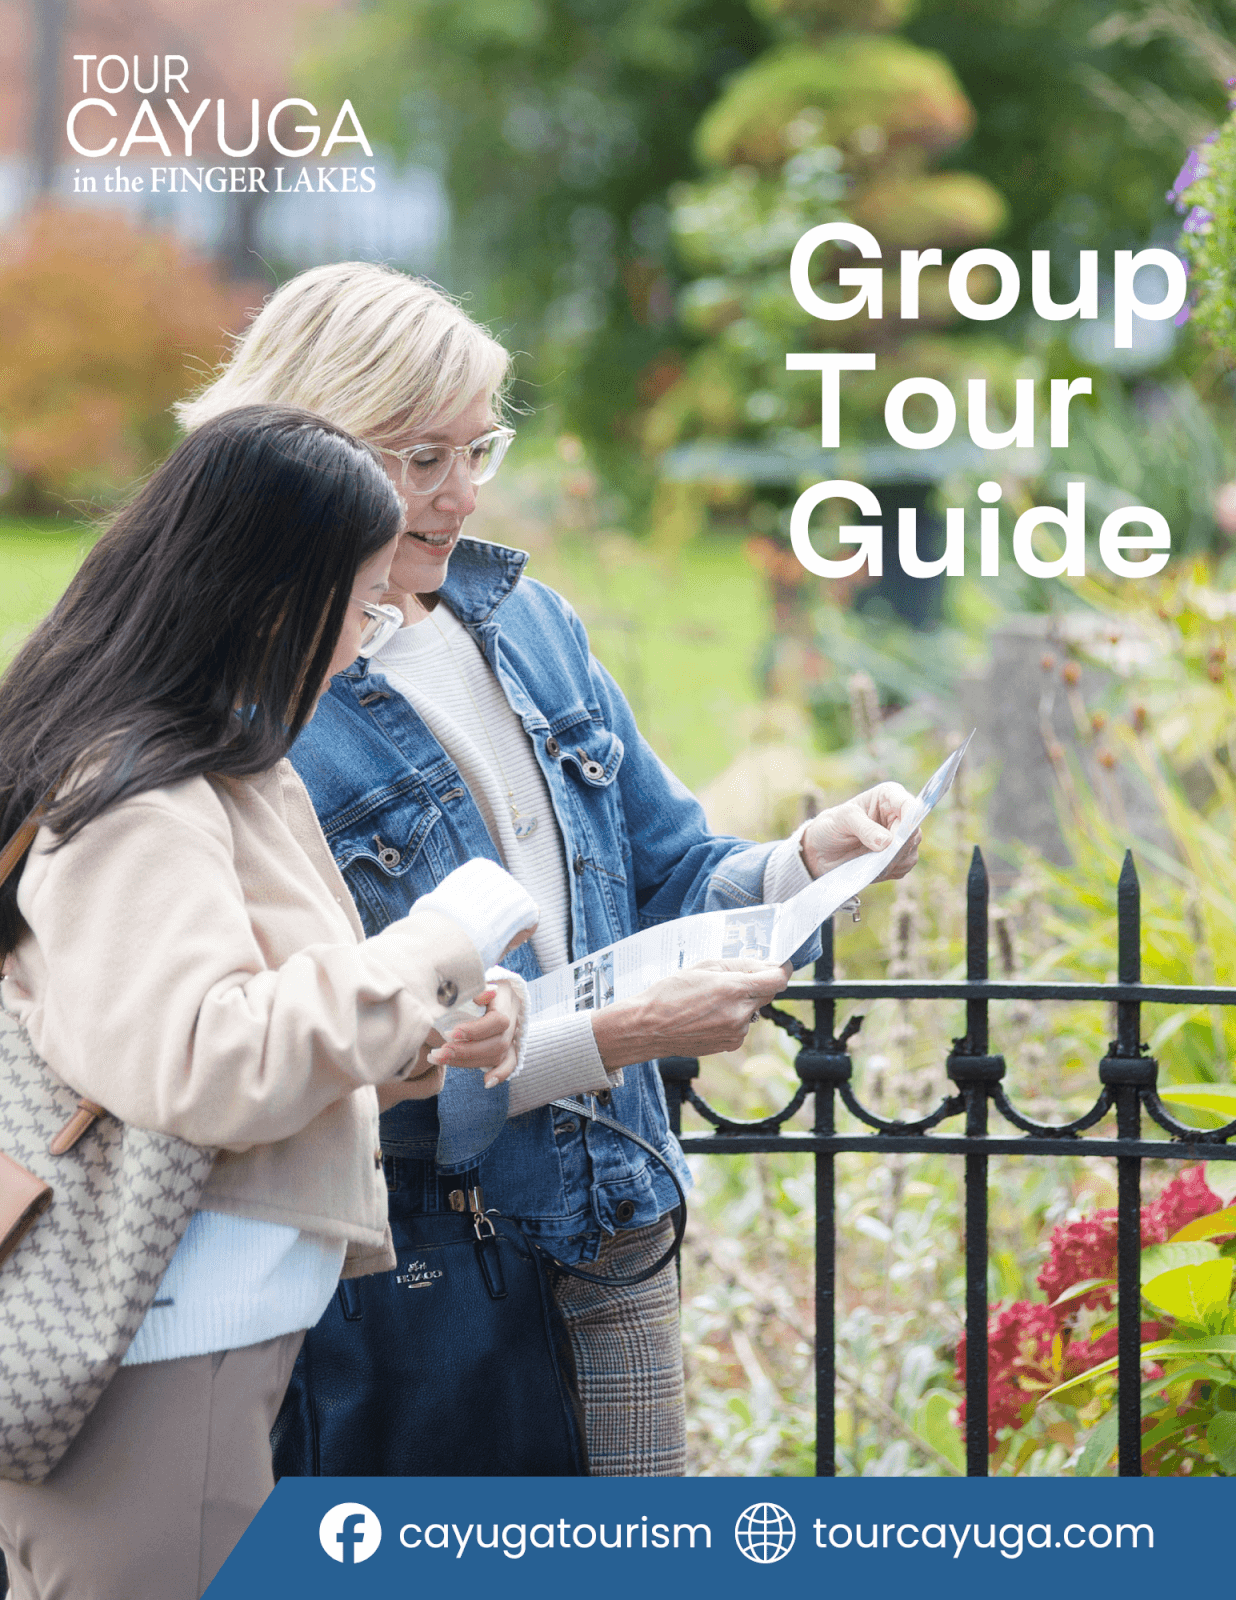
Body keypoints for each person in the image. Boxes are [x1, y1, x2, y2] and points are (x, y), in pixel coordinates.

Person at [176, 264, 921, 1477]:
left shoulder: (530, 627)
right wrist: (617, 1038)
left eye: (480, 448)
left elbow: (671, 875)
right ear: (307, 445)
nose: (462, 491)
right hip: (411, 1274)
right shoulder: (257, 704)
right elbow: (312, 1057)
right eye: (422, 457)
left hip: (614, 1217)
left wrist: (807, 861)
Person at [0, 406, 533, 1598]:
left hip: (176, 1348)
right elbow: (205, 1061)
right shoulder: (139, 797)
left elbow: (251, 1021)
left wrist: (430, 1029)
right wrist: (441, 939)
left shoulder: (213, 771)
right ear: (273, 601)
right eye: (360, 602)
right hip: (154, 1357)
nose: (362, 641)